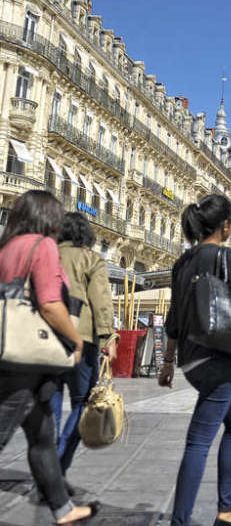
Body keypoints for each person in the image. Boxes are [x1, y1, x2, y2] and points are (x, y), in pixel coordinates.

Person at [160, 194, 231, 526]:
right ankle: (183, 521)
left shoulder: (183, 262)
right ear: (224, 226)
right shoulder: (226, 256)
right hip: (218, 358)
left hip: (190, 361)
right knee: (199, 442)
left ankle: (226, 510)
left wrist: (167, 361)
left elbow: (173, 319)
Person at [0, 191, 101, 525]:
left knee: (42, 436)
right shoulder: (41, 246)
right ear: (47, 217)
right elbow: (49, 304)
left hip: (12, 349)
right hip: (25, 355)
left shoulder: (6, 247)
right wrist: (74, 341)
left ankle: (63, 509)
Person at [51, 213, 118, 477]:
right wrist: (109, 338)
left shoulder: (47, 256)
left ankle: (48, 459)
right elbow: (101, 300)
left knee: (51, 399)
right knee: (81, 402)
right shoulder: (91, 259)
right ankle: (59, 462)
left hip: (46, 336)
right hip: (82, 339)